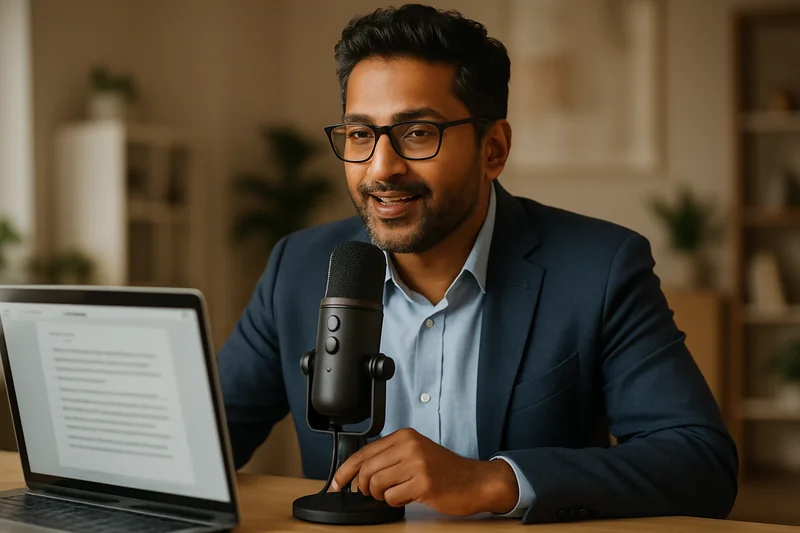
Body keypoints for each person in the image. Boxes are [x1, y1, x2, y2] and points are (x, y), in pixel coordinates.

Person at [216, 4, 738, 524]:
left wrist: (493, 480)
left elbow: (700, 462)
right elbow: (204, 439)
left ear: (493, 149)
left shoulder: (599, 268)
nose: (381, 167)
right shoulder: (298, 268)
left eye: (418, 133)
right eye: (359, 134)